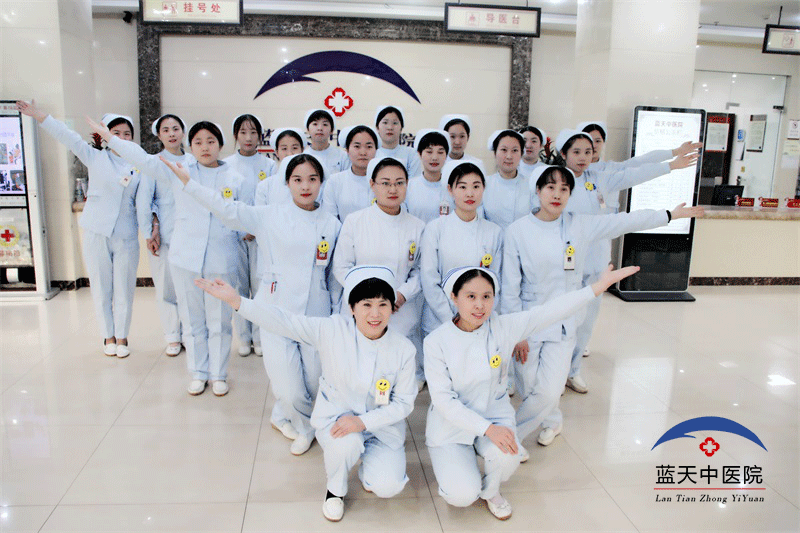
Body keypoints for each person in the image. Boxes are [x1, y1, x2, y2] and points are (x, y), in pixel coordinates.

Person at [195, 265, 417, 522]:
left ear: (392, 307)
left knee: (388, 485)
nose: (375, 314)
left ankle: (369, 468)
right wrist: (237, 301)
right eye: (366, 304)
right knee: (346, 444)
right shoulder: (332, 330)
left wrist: (362, 422)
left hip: (380, 428)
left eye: (382, 305)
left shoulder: (403, 349)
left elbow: (403, 403)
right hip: (338, 420)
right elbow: (285, 321)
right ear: (352, 308)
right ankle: (335, 490)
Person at [505, 165, 704, 447]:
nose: (557, 194)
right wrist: (517, 331)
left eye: (564, 189)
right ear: (538, 191)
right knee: (528, 387)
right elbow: (510, 285)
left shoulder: (580, 225)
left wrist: (668, 215)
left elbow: (623, 221)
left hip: (564, 323)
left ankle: (511, 439)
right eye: (550, 187)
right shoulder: (517, 231)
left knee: (549, 390)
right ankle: (552, 421)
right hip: (530, 321)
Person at [424, 264, 639, 520]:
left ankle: (491, 491)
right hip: (451, 427)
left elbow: (550, 311)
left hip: (494, 414)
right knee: (461, 495)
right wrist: (487, 430)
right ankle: (462, 463)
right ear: (454, 297)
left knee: (508, 457)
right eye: (471, 296)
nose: (479, 305)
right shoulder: (436, 342)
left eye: (486, 296)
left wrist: (596, 288)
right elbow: (444, 402)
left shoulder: (504, 327)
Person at [160, 152, 340, 455]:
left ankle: (283, 416)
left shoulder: (332, 224)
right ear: (287, 183)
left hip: (315, 313)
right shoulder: (269, 215)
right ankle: (306, 428)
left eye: (312, 179)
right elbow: (226, 209)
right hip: (275, 308)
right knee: (288, 386)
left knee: (312, 379)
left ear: (321, 182)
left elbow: (333, 275)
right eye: (298, 179)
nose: (305, 186)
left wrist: (336, 316)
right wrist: (190, 184)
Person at [88, 116, 246, 397]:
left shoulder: (235, 178)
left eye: (211, 141)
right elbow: (143, 160)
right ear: (191, 146)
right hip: (186, 258)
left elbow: (243, 216)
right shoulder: (178, 170)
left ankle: (219, 374)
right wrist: (111, 139)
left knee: (220, 321)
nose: (205, 147)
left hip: (221, 258)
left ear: (220, 145)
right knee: (192, 320)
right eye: (198, 142)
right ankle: (198, 373)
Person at [545, 128, 700, 394]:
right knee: (562, 320)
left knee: (587, 320)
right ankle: (554, 373)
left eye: (588, 151)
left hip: (596, 260)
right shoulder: (552, 182)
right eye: (576, 152)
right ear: (563, 153)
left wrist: (671, 165)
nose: (583, 157)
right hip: (562, 262)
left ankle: (573, 371)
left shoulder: (599, 179)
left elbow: (633, 173)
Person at [17, 100, 143, 358]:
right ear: (105, 135)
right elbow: (67, 135)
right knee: (101, 287)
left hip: (126, 234)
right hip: (96, 232)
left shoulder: (139, 164)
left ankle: (122, 336)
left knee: (124, 288)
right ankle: (108, 336)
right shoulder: (94, 157)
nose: (121, 138)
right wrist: (39, 115)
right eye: (116, 133)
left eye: (126, 134)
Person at [332, 157, 426, 389]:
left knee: (394, 375)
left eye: (399, 183)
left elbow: (420, 270)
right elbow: (342, 267)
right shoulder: (355, 221)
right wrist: (368, 298)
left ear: (407, 185)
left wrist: (402, 294)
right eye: (385, 183)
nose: (393, 189)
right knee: (360, 375)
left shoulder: (417, 226)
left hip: (400, 311)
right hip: (362, 311)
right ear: (372, 185)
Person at [419, 161, 502, 339]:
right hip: (440, 322)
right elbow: (429, 278)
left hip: (479, 321)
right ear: (450, 189)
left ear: (483, 188)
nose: (470, 193)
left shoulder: (494, 232)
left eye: (476, 186)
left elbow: (496, 281)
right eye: (462, 187)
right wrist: (452, 319)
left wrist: (476, 318)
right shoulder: (435, 228)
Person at [138, 113, 194, 357]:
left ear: (183, 132)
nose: (171, 134)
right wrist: (150, 231)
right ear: (159, 135)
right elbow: (145, 199)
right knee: (165, 288)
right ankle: (172, 336)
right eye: (166, 130)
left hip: (191, 236)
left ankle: (190, 334)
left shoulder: (193, 160)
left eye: (175, 128)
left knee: (190, 289)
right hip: (164, 236)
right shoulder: (153, 163)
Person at [225, 114, 277, 357]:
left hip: (260, 237)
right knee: (239, 288)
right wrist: (241, 227)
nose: (248, 137)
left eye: (253, 132)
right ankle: (244, 338)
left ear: (260, 136)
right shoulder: (226, 165)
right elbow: (226, 202)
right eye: (243, 132)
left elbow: (272, 202)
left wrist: (255, 228)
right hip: (234, 237)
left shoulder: (269, 166)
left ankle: (259, 337)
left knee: (260, 289)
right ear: (236, 135)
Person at [320, 125, 378, 222]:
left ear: (376, 150)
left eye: (369, 147)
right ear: (347, 150)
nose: (363, 152)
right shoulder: (334, 181)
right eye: (357, 146)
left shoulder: (384, 181)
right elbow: (330, 219)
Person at [481, 129, 529, 232]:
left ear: (521, 154)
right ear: (495, 153)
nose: (509, 156)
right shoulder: (484, 185)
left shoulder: (530, 186)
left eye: (515, 150)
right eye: (504, 150)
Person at [404, 129, 451, 223]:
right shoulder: (409, 186)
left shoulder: (452, 187)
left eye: (440, 152)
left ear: (446, 155)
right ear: (419, 154)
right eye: (429, 152)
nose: (434, 158)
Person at [255, 127, 305, 207]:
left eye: (295, 148)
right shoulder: (265, 186)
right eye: (284, 148)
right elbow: (260, 213)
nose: (290, 153)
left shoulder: (311, 183)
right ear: (276, 152)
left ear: (302, 150)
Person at [374, 105, 421, 178]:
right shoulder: (372, 154)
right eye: (385, 123)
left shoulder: (411, 154)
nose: (390, 127)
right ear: (377, 127)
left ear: (401, 128)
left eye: (395, 123)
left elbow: (413, 181)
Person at [303, 108, 350, 175]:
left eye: (325, 124)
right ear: (308, 129)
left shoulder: (342, 156)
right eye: (315, 124)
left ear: (331, 130)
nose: (320, 128)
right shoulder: (302, 156)